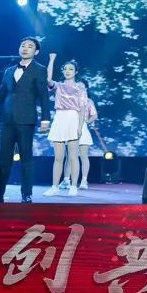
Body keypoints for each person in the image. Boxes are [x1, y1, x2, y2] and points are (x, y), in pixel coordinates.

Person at [0, 36, 52, 203]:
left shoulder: (40, 69)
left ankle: (26, 194)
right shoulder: (9, 70)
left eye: (30, 46)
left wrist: (46, 119)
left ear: (36, 52)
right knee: (3, 159)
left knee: (26, 158)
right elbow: (1, 92)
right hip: (7, 120)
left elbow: (44, 96)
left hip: (26, 119)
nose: (25, 48)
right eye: (23, 45)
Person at [44, 54, 89, 197]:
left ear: (76, 72)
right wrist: (52, 60)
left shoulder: (80, 88)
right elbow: (48, 79)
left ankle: (73, 186)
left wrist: (80, 127)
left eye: (71, 69)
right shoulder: (58, 86)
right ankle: (54, 187)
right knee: (58, 157)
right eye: (65, 69)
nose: (68, 71)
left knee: (73, 156)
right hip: (59, 118)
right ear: (63, 71)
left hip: (73, 118)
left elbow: (82, 109)